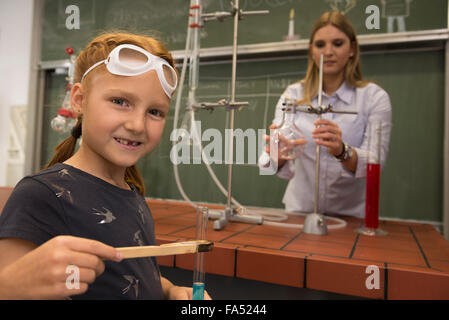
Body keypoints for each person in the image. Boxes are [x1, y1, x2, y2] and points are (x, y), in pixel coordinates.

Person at [0, 32, 210, 300]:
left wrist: (172, 291)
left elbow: (133, 275)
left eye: (155, 112)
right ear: (79, 100)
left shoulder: (132, 194)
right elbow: (9, 285)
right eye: (120, 102)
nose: (137, 125)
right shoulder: (40, 195)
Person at [260, 11, 392, 218]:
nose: (328, 52)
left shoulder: (373, 98)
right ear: (311, 51)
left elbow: (376, 163)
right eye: (320, 45)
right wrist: (278, 154)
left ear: (352, 49)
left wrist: (342, 151)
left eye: (338, 43)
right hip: (300, 213)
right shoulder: (293, 95)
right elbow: (269, 163)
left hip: (351, 217)